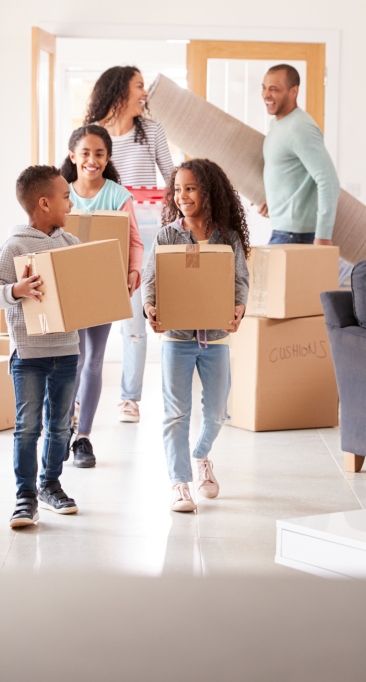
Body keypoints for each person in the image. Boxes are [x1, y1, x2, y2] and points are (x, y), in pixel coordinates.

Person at [141, 159, 249, 513]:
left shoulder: (227, 237)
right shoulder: (167, 236)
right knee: (176, 414)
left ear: (209, 191)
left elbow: (240, 282)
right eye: (177, 189)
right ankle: (180, 483)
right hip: (176, 337)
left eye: (190, 188)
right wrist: (150, 307)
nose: (182, 196)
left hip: (215, 337)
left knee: (217, 413)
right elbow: (151, 281)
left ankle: (201, 455)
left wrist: (239, 307)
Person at [0, 165, 80, 528]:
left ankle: (50, 484)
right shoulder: (15, 245)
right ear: (44, 203)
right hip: (28, 355)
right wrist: (17, 290)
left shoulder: (70, 244)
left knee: (60, 426)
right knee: (28, 426)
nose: (70, 203)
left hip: (68, 350)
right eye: (65, 197)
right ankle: (25, 495)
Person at [87, 66, 175, 424]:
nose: (145, 93)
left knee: (134, 318)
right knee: (88, 317)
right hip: (103, 234)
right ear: (119, 91)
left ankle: (129, 399)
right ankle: (80, 396)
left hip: (145, 234)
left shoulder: (151, 131)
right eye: (139, 86)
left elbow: (172, 179)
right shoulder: (94, 136)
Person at [60, 125, 145, 469]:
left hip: (104, 286)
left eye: (99, 154)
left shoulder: (118, 195)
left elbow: (135, 242)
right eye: (85, 153)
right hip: (68, 287)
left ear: (107, 158)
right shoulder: (60, 192)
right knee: (71, 360)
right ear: (73, 156)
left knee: (93, 359)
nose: (92, 161)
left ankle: (83, 437)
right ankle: (62, 428)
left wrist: (132, 274)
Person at [260, 64, 341, 248]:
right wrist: (274, 203)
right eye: (264, 88)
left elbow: (328, 181)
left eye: (274, 89)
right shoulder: (277, 125)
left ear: (293, 91)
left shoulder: (300, 127)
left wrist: (323, 236)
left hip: (296, 236)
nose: (266, 95)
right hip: (284, 231)